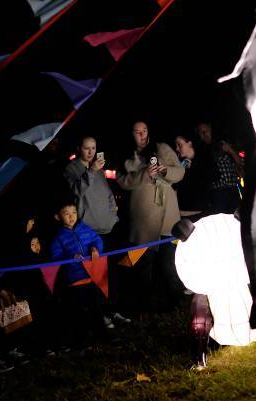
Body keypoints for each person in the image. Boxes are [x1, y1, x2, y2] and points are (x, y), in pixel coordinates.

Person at [117, 121, 185, 309]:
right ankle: (143, 305)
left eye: (145, 130)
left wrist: (165, 170)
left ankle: (175, 303)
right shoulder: (126, 155)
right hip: (143, 216)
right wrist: (143, 174)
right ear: (131, 134)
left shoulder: (162, 148)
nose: (142, 135)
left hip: (168, 214)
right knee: (143, 264)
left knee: (170, 262)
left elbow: (180, 171)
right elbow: (122, 181)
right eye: (137, 132)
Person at [50, 199, 112, 350]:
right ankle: (81, 340)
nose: (71, 216)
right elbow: (56, 258)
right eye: (66, 214)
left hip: (92, 276)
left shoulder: (85, 228)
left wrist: (95, 248)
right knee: (78, 311)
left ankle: (103, 335)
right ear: (58, 217)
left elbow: (97, 240)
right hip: (75, 280)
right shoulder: (59, 237)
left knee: (96, 307)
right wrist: (70, 259)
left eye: (74, 212)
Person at [63, 136, 119, 244]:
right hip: (88, 229)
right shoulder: (71, 168)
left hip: (107, 225)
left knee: (109, 259)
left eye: (93, 148)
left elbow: (108, 193)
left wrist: (113, 215)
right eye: (86, 148)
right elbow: (77, 191)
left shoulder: (97, 169)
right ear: (79, 148)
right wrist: (92, 170)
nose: (90, 152)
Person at [195, 122, 242, 214]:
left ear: (211, 129)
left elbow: (239, 162)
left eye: (206, 131)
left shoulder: (222, 142)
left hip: (233, 190)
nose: (204, 134)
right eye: (201, 132)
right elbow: (210, 158)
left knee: (238, 218)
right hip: (217, 193)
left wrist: (230, 150)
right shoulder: (201, 149)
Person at [174, 134, 214, 222]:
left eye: (179, 145)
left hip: (201, 212)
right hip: (182, 212)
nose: (177, 148)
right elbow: (175, 184)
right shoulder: (178, 163)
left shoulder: (204, 158)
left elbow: (214, 176)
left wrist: (194, 167)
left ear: (189, 143)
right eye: (176, 146)